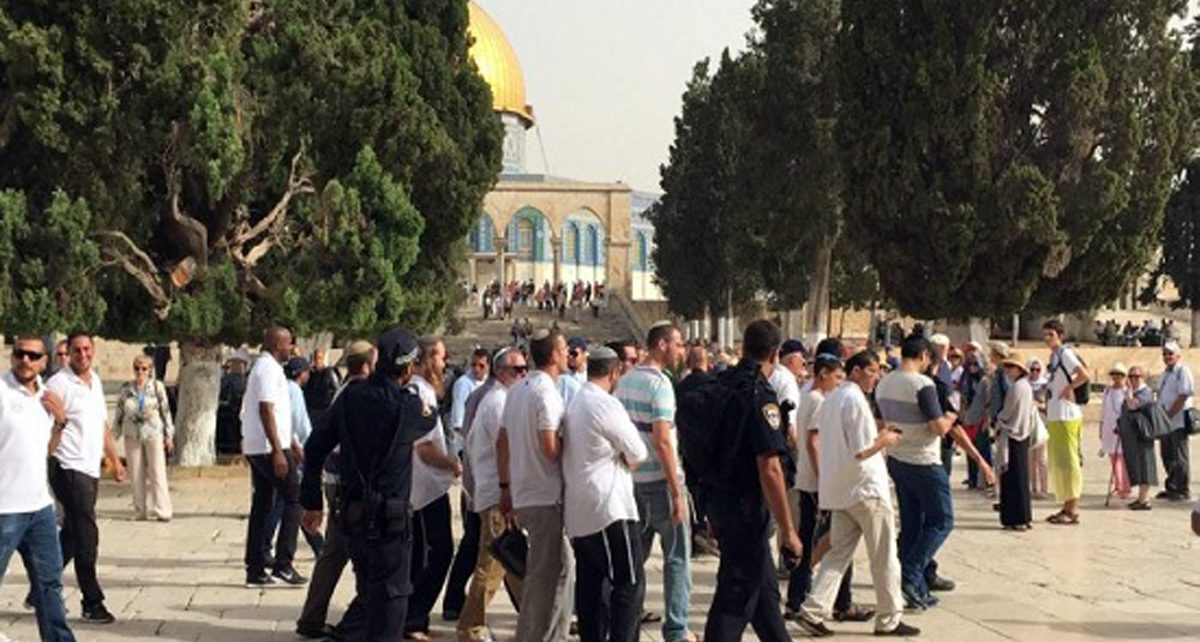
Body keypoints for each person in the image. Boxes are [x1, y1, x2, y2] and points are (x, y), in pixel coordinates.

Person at [301, 328, 459, 641]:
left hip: (353, 513)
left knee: (368, 590)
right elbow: (429, 418)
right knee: (392, 599)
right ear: (408, 368)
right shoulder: (408, 406)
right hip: (390, 519)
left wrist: (311, 501)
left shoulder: (350, 398)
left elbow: (315, 447)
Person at [797, 349, 917, 638]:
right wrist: (885, 439)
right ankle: (889, 618)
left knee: (838, 553)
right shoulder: (854, 400)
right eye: (872, 371)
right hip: (866, 489)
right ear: (856, 371)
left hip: (841, 489)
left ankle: (813, 608)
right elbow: (862, 449)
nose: (876, 377)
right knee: (884, 555)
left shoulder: (831, 399)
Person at [701, 320, 802, 642]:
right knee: (736, 597)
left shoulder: (721, 384)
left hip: (718, 499)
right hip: (746, 507)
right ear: (775, 354)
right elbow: (769, 467)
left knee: (764, 593)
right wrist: (788, 530)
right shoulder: (759, 394)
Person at [613, 322, 693, 642]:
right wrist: (676, 491)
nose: (681, 351)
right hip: (661, 481)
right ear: (662, 344)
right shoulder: (660, 385)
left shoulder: (624, 382)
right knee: (677, 558)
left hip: (634, 482)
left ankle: (626, 622)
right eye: (678, 344)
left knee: (635, 561)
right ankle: (676, 628)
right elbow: (663, 440)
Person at [564, 346, 649, 642]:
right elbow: (637, 451)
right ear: (615, 373)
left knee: (591, 586)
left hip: (580, 508)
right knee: (629, 582)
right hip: (609, 508)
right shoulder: (605, 404)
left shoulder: (576, 400)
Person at [497, 329, 574, 642]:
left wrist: (505, 486)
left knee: (563, 568)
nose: (568, 354)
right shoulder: (546, 394)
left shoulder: (517, 390)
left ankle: (554, 633)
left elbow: (502, 441)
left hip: (523, 491)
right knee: (543, 577)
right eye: (564, 348)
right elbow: (549, 446)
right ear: (553, 355)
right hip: (545, 495)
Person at [46, 332, 127, 624]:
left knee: (72, 533)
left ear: (93, 350)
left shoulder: (94, 382)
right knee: (87, 534)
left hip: (90, 467)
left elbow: (101, 425)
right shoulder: (58, 384)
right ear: (68, 353)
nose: (82, 355)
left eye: (86, 349)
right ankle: (92, 602)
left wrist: (115, 460)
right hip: (67, 466)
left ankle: (41, 585)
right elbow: (46, 429)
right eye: (77, 350)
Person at [296, 342, 375, 640]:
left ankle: (313, 617)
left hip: (338, 479)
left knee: (335, 551)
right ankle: (350, 620)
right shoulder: (354, 396)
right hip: (343, 481)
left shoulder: (347, 391)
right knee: (346, 550)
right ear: (366, 365)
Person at [785, 351, 871, 623]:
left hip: (810, 480)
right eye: (837, 377)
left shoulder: (807, 395)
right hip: (817, 484)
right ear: (823, 374)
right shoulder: (819, 400)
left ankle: (806, 598)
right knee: (834, 541)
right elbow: (814, 442)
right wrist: (825, 480)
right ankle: (830, 601)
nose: (839, 382)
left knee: (827, 540)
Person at [876, 335, 960, 610]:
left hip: (898, 458)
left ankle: (904, 579)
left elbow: (880, 422)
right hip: (924, 460)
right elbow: (938, 427)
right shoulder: (922, 385)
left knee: (911, 523)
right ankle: (912, 573)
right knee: (942, 520)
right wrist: (951, 416)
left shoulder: (884, 382)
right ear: (924, 356)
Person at [0, 336, 76, 642]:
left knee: (49, 585)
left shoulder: (45, 397)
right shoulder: (2, 392)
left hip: (40, 508)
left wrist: (60, 423)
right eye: (20, 354)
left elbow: (45, 450)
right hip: (5, 508)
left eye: (33, 356)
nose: (26, 360)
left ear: (44, 362)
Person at [458, 348, 527, 642]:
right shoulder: (499, 401)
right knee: (492, 564)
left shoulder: (501, 399)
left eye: (524, 369)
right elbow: (505, 447)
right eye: (516, 370)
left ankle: (535, 618)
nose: (522, 374)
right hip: (499, 494)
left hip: (499, 491)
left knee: (514, 561)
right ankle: (469, 628)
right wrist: (506, 489)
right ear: (499, 372)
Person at [240, 326, 306, 587]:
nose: (291, 348)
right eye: (289, 343)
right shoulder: (267, 369)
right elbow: (266, 410)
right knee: (294, 499)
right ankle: (283, 564)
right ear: (278, 345)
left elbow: (278, 413)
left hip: (264, 445)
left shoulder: (268, 368)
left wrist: (292, 442)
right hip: (269, 448)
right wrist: (279, 450)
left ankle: (255, 568)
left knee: (263, 504)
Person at [406, 338, 462, 640]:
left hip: (425, 488)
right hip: (425, 489)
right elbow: (425, 448)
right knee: (438, 554)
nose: (445, 362)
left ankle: (415, 618)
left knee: (422, 555)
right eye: (441, 357)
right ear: (428, 359)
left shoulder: (419, 390)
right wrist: (451, 463)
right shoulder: (421, 392)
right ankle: (414, 618)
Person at [443, 348, 492, 622]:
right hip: (480, 476)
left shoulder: (485, 393)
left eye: (481, 365)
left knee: (477, 544)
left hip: (480, 478)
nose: (477, 369)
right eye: (474, 364)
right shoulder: (469, 388)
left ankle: (455, 601)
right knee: (486, 547)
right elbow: (459, 425)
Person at [112, 355, 174, 522]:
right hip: (132, 434)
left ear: (150, 370)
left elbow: (165, 411)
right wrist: (113, 437)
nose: (140, 372)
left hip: (153, 433)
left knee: (157, 472)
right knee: (136, 473)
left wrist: (169, 434)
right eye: (137, 368)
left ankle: (163, 510)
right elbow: (119, 412)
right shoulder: (126, 389)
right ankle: (140, 511)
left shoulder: (157, 387)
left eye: (144, 368)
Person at [1042, 319, 1090, 525]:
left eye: (1051, 334)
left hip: (1066, 415)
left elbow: (1084, 374)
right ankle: (1066, 504)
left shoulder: (1066, 354)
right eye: (1045, 334)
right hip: (1056, 415)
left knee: (1069, 461)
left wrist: (1070, 388)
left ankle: (1073, 508)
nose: (1047, 338)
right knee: (1060, 462)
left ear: (1060, 336)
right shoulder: (1054, 357)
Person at [994, 353, 1035, 530]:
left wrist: (998, 420)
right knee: (1020, 477)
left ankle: (1016, 518)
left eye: (1011, 367)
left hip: (1013, 434)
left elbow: (1008, 411)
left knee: (1013, 478)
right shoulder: (1025, 386)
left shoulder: (1017, 388)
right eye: (1006, 367)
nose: (1007, 371)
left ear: (1019, 369)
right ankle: (1023, 516)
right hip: (1022, 434)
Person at [1157, 340, 1194, 501]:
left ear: (1178, 355)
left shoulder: (1182, 371)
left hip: (1177, 421)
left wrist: (1169, 415)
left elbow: (1183, 395)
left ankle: (1182, 488)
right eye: (1165, 354)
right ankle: (1172, 486)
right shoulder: (1165, 374)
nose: (1167, 356)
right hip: (1165, 421)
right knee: (1167, 455)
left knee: (1179, 456)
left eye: (1170, 353)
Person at [1119, 366, 1159, 511]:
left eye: (1136, 376)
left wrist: (1128, 394)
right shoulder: (1134, 392)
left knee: (1146, 465)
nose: (1133, 379)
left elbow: (1132, 406)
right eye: (1130, 376)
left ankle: (1145, 499)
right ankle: (1141, 498)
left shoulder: (1145, 392)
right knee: (1138, 465)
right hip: (1133, 435)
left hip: (1143, 434)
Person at [1100, 364, 1132, 500]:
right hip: (1109, 427)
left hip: (1122, 428)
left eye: (1120, 375)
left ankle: (1125, 486)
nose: (1116, 377)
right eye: (1114, 374)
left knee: (1123, 459)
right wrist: (1101, 428)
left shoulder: (1126, 391)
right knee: (1113, 457)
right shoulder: (1107, 391)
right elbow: (1103, 411)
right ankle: (1119, 485)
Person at [1028, 358, 1050, 499]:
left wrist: (1038, 405)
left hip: (1041, 424)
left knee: (1042, 459)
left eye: (1037, 370)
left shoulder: (1045, 386)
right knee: (1030, 460)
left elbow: (1049, 405)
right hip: (1028, 425)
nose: (1035, 372)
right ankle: (1032, 488)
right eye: (1032, 369)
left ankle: (1044, 488)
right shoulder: (1025, 384)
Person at [303, 347, 342, 422]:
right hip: (312, 409)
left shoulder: (329, 372)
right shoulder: (310, 373)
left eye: (320, 358)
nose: (318, 361)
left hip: (325, 409)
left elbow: (336, 389)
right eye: (316, 358)